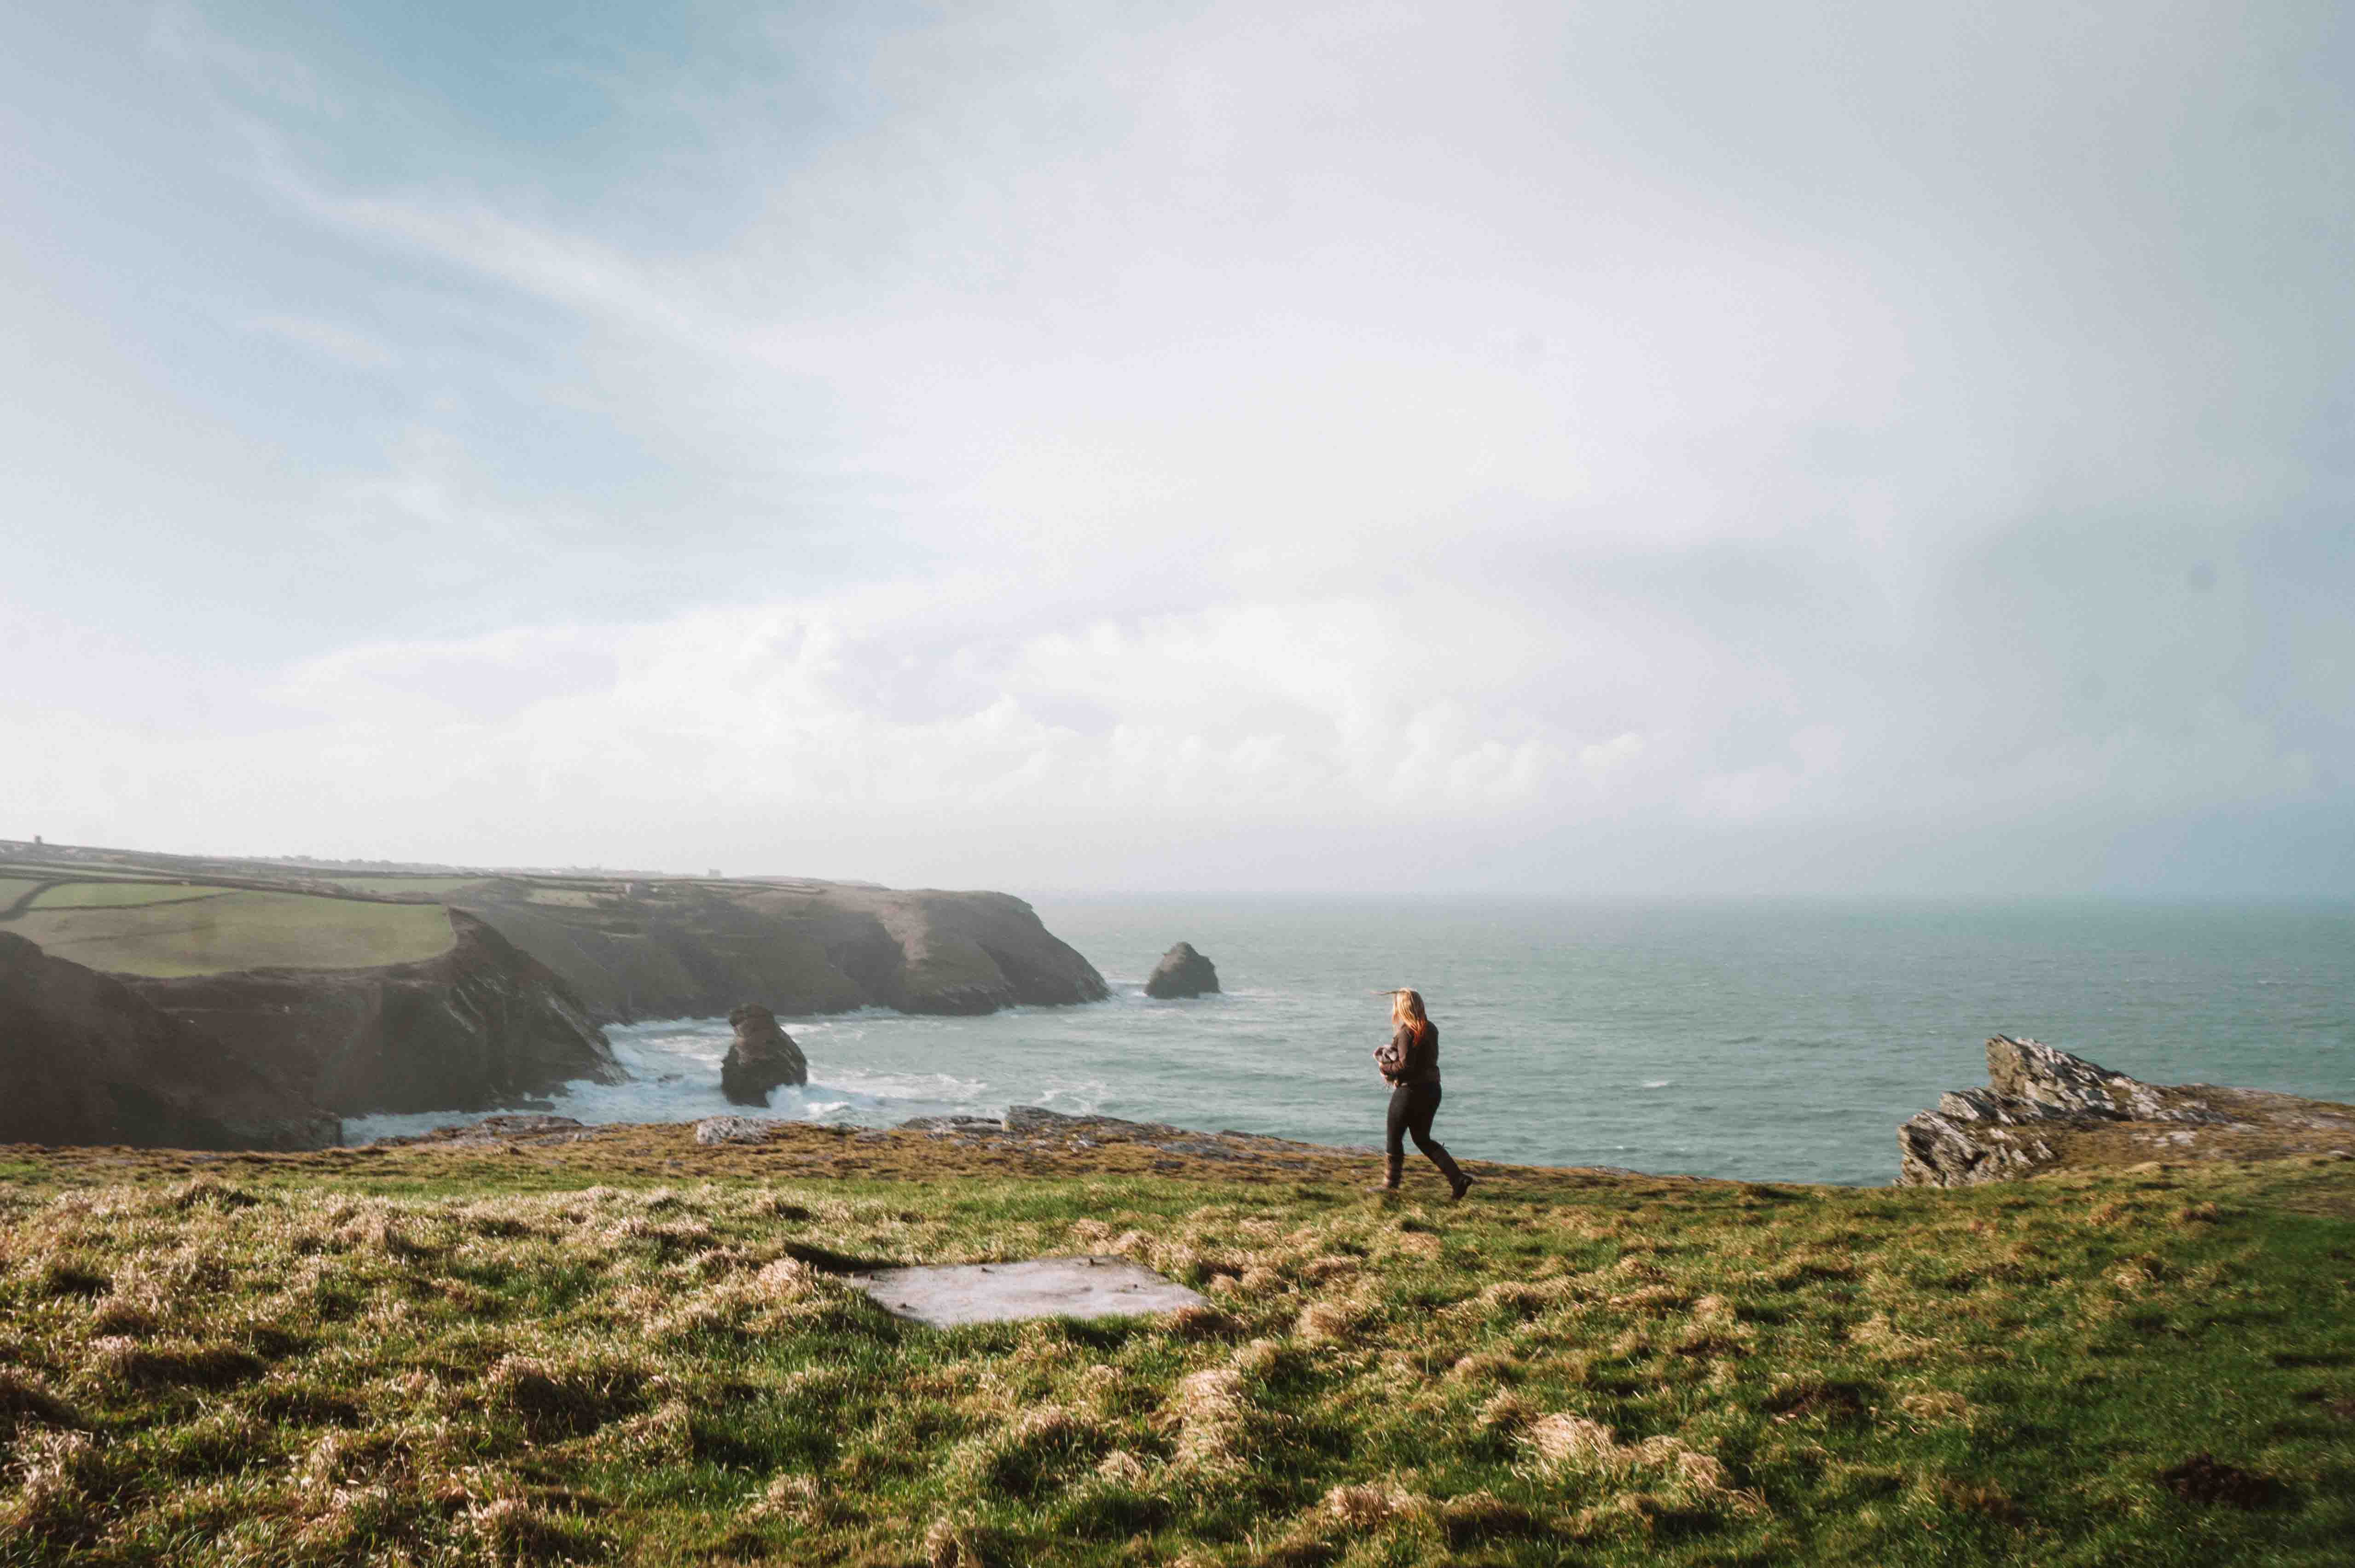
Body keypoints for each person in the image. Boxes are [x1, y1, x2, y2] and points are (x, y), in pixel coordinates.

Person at [1371, 988, 1472, 1198]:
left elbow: (1406, 1066)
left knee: (1394, 1137)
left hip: (1410, 1092)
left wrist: (1385, 1068)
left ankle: (1391, 1185)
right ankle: (1458, 1179)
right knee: (1423, 1139)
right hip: (1433, 1090)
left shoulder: (1407, 1033)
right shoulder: (1432, 1029)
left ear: (1402, 1008)